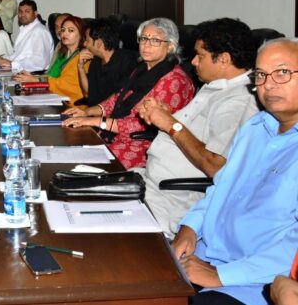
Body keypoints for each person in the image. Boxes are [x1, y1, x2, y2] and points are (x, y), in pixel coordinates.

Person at [171, 38, 298, 305]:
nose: (268, 84)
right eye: (261, 75)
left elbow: (294, 251)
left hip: (256, 281)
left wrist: (221, 275)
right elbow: (221, 187)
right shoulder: (255, 127)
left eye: (282, 72)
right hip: (203, 254)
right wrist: (190, 228)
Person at [133, 18, 259, 237]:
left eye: (200, 56)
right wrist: (163, 115)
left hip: (174, 199)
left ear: (224, 59)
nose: (193, 62)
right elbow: (191, 132)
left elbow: (216, 166)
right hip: (149, 182)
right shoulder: (214, 86)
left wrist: (171, 124)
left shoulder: (238, 102)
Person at [62, 18, 195, 169]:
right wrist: (88, 112)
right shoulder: (142, 69)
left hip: (144, 147)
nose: (146, 45)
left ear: (170, 46)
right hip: (117, 135)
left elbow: (143, 125)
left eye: (155, 40)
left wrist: (98, 121)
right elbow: (117, 98)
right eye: (144, 39)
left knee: (80, 165)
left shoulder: (175, 81)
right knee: (69, 145)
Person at [14, 15, 89, 104]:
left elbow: (67, 85)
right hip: (56, 97)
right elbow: (52, 76)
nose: (64, 34)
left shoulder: (83, 57)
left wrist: (36, 80)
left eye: (71, 31)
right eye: (63, 30)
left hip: (73, 104)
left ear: (81, 34)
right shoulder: (63, 53)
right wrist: (33, 77)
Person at [75, 18, 139, 106]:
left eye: (87, 40)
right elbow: (87, 94)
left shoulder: (127, 61)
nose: (85, 44)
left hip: (111, 116)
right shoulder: (95, 61)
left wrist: (95, 111)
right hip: (95, 114)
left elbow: (119, 96)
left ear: (99, 43)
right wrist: (80, 67)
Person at [0, 0, 54, 72]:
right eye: (20, 11)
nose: (22, 15)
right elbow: (18, 55)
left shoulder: (39, 31)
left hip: (33, 76)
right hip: (21, 71)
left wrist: (12, 64)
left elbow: (40, 62)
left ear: (35, 13)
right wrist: (3, 59)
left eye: (27, 11)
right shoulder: (27, 29)